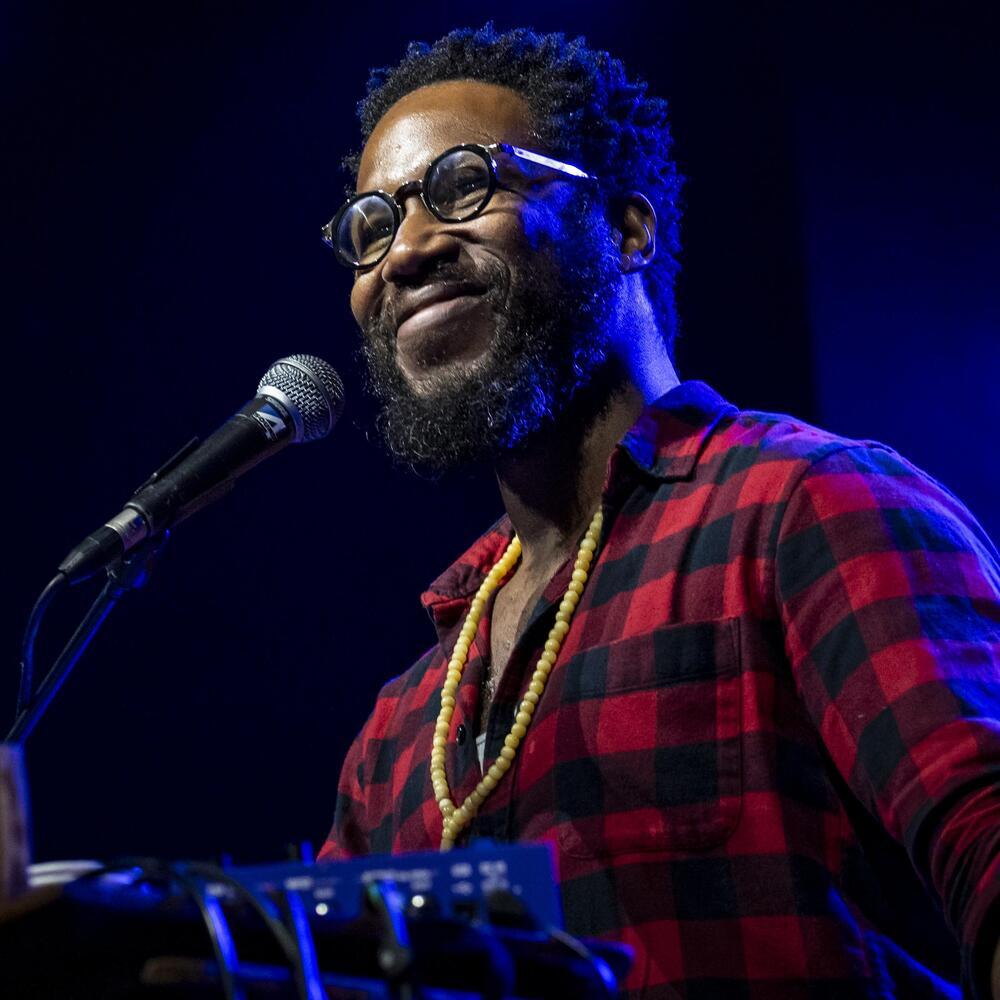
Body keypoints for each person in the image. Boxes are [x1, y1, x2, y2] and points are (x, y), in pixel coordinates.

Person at [316, 25, 1000, 999]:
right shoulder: (400, 727)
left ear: (627, 230)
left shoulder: (802, 510)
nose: (407, 251)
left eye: (464, 184)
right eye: (371, 226)